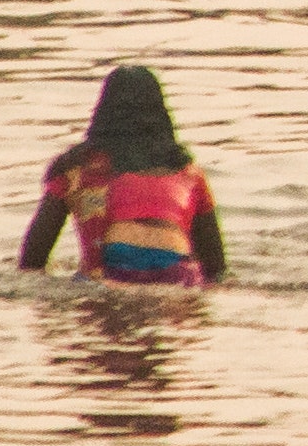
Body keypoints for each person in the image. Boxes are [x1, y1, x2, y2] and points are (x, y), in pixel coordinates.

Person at [17, 65, 224, 283]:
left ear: (101, 111)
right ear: (162, 113)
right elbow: (216, 268)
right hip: (179, 276)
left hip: (109, 277)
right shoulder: (189, 173)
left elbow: (32, 261)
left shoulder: (74, 169)